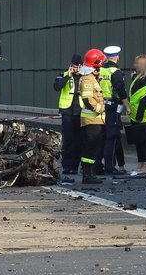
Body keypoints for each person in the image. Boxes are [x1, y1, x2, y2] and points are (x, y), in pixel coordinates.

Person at [100, 46, 130, 176]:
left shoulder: (100, 70)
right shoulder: (115, 72)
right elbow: (120, 90)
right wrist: (127, 106)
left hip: (99, 107)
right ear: (117, 57)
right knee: (112, 137)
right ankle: (110, 166)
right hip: (112, 107)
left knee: (102, 136)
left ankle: (98, 165)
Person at [79, 48, 107, 184]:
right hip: (92, 119)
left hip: (96, 119)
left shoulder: (92, 77)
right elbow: (87, 99)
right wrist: (100, 108)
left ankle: (89, 173)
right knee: (90, 147)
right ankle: (87, 175)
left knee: (93, 147)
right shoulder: (88, 79)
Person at [53, 54, 83, 176]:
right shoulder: (63, 75)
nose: (75, 69)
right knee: (68, 140)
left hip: (80, 111)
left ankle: (75, 165)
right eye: (73, 66)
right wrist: (68, 76)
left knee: (78, 140)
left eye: (77, 67)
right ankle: (67, 165)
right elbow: (56, 87)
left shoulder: (84, 76)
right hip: (67, 111)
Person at [127, 55, 146, 174]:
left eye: (137, 63)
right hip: (135, 114)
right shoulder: (138, 78)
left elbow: (144, 100)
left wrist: (139, 116)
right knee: (138, 141)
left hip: (141, 116)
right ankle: (140, 163)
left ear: (143, 65)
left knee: (143, 142)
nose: (135, 65)